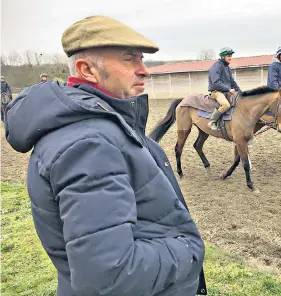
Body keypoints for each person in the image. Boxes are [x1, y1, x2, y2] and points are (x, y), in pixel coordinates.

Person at [5, 15, 206, 296]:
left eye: (141, 59)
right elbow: (108, 274)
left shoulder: (98, 128)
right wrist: (190, 249)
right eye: (129, 59)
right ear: (86, 69)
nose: (144, 70)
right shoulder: (88, 144)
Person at [207, 47, 241, 131]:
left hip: (226, 91)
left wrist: (241, 93)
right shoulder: (216, 66)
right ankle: (212, 122)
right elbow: (216, 82)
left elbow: (232, 82)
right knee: (226, 105)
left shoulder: (227, 68)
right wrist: (229, 89)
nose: (230, 58)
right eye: (229, 56)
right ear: (223, 57)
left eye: (231, 56)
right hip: (216, 92)